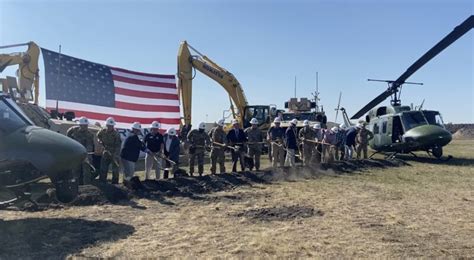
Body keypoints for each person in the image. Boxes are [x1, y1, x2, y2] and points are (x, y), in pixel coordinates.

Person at [67, 116, 94, 185]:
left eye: (86, 125)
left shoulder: (89, 134)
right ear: (80, 125)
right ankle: (75, 185)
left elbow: (89, 145)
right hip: (76, 154)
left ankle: (87, 186)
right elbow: (68, 138)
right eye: (84, 125)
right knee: (75, 171)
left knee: (86, 172)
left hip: (85, 154)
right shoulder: (73, 130)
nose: (85, 127)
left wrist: (87, 155)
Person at [97, 117, 122, 184]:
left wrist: (115, 155)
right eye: (108, 126)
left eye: (111, 126)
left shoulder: (116, 134)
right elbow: (98, 136)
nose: (110, 127)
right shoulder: (102, 131)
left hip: (114, 152)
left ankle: (115, 182)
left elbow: (118, 145)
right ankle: (102, 181)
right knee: (103, 168)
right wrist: (100, 141)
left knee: (115, 169)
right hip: (105, 151)